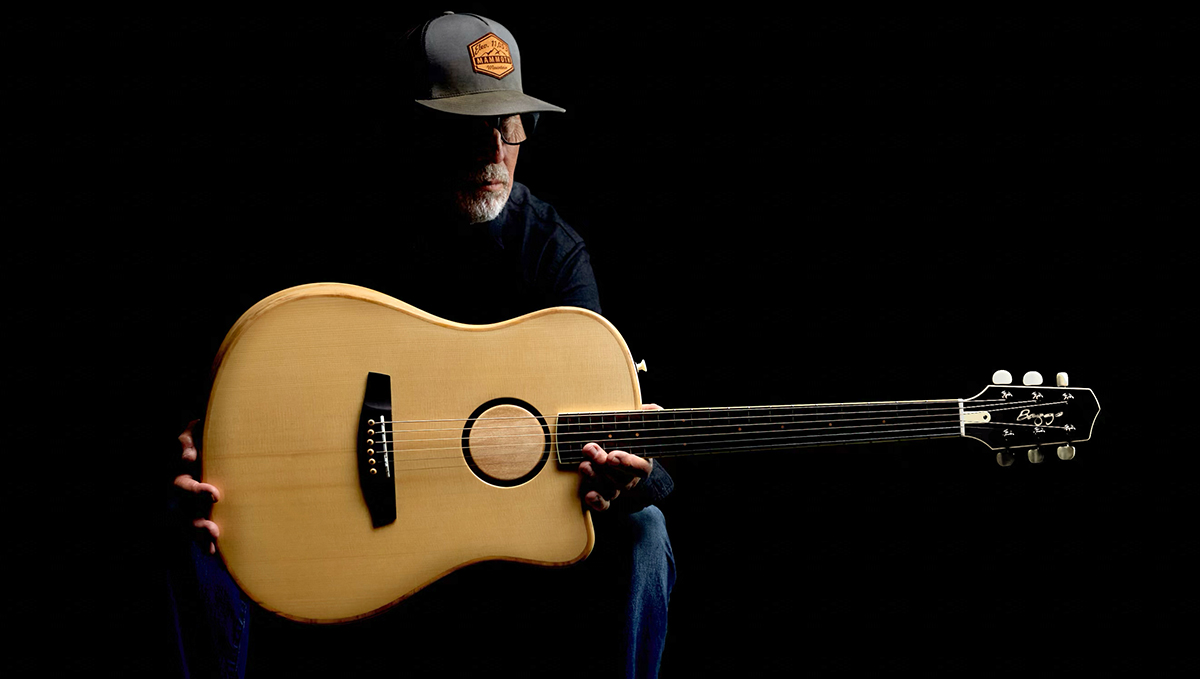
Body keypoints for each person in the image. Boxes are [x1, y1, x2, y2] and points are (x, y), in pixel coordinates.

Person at [167, 12, 675, 678]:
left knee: (646, 533)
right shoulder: (347, 228)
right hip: (343, 520)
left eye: (512, 126)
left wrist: (637, 475)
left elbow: (610, 437)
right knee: (196, 535)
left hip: (484, 539)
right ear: (411, 132)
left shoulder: (553, 254)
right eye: (471, 127)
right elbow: (256, 361)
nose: (496, 152)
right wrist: (205, 444)